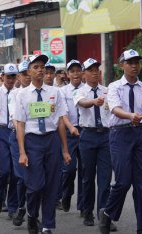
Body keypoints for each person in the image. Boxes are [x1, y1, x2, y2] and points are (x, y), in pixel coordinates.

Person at [98, 49, 142, 234]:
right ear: (121, 65)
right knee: (123, 181)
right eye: (130, 62)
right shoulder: (114, 87)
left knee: (141, 184)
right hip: (120, 133)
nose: (134, 66)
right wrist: (130, 115)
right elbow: (115, 109)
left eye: (137, 62)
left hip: (139, 135)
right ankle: (107, 213)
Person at [14, 54, 71, 234]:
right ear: (29, 71)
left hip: (51, 140)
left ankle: (47, 227)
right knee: (35, 185)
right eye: (36, 67)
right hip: (32, 142)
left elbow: (61, 122)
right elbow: (20, 125)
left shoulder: (55, 92)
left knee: (51, 186)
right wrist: (22, 152)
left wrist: (64, 149)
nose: (40, 70)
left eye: (42, 67)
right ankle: (31, 214)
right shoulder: (21, 94)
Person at [73, 58, 114, 229]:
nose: (95, 72)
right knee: (88, 177)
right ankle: (87, 211)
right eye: (90, 70)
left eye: (97, 69)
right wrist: (93, 102)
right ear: (84, 74)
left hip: (105, 136)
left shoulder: (108, 91)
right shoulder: (80, 91)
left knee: (105, 178)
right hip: (87, 135)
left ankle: (103, 214)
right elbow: (82, 103)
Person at [0, 63, 19, 219]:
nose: (11, 80)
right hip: (0, 132)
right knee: (3, 170)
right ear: (2, 77)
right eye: (8, 76)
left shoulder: (19, 93)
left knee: (15, 172)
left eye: (13, 77)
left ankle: (13, 206)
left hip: (14, 132)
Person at [57, 60, 84, 213]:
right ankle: (66, 194)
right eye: (72, 71)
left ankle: (82, 205)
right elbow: (63, 113)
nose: (75, 74)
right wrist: (70, 127)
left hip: (85, 131)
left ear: (82, 72)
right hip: (69, 132)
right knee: (69, 169)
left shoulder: (86, 89)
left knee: (85, 171)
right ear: (67, 74)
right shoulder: (62, 91)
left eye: (78, 70)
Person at [8, 60, 30, 226]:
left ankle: (31, 208)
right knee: (22, 176)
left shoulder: (44, 92)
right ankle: (21, 206)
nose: (27, 77)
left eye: (29, 73)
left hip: (38, 139)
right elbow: (16, 120)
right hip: (19, 137)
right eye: (24, 74)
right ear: (19, 77)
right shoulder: (14, 94)